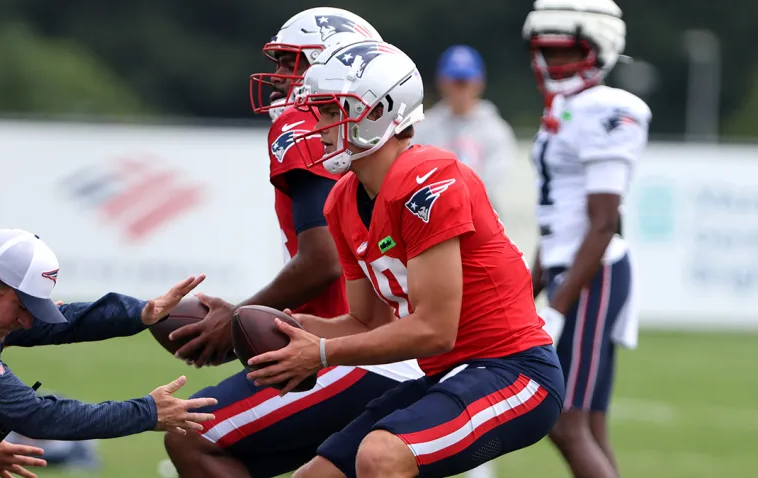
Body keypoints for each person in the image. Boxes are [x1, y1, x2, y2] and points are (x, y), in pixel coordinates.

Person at [244, 39, 566, 478]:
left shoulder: (429, 179)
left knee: (381, 455)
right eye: (320, 112)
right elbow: (367, 321)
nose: (319, 126)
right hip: (448, 372)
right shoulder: (342, 199)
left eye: (334, 111)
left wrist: (321, 352)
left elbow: (435, 329)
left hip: (513, 369)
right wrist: (279, 328)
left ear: (380, 112)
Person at [162, 8, 423, 478]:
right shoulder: (392, 141)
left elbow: (321, 258)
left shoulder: (307, 126)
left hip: (354, 350)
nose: (280, 77)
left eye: (291, 63)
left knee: (191, 432)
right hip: (390, 345)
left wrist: (236, 318)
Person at [0, 228, 217, 478]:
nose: (27, 321)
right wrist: (147, 412)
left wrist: (140, 314)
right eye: (23, 305)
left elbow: (62, 323)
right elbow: (38, 416)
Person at [522, 1, 651, 477]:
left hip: (592, 273)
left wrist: (558, 303)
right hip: (569, 269)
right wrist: (528, 289)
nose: (553, 65)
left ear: (598, 49)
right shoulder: (567, 111)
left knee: (567, 420)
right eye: (547, 53)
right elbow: (557, 220)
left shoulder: (608, 109)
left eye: (564, 53)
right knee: (588, 423)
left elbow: (602, 222)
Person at [413, 44, 517, 210]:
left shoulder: (495, 129)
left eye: (465, 82)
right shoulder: (425, 127)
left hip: (480, 209)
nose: (460, 90)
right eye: (455, 82)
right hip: (433, 211)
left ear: (479, 83)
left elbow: (497, 174)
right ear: (442, 82)